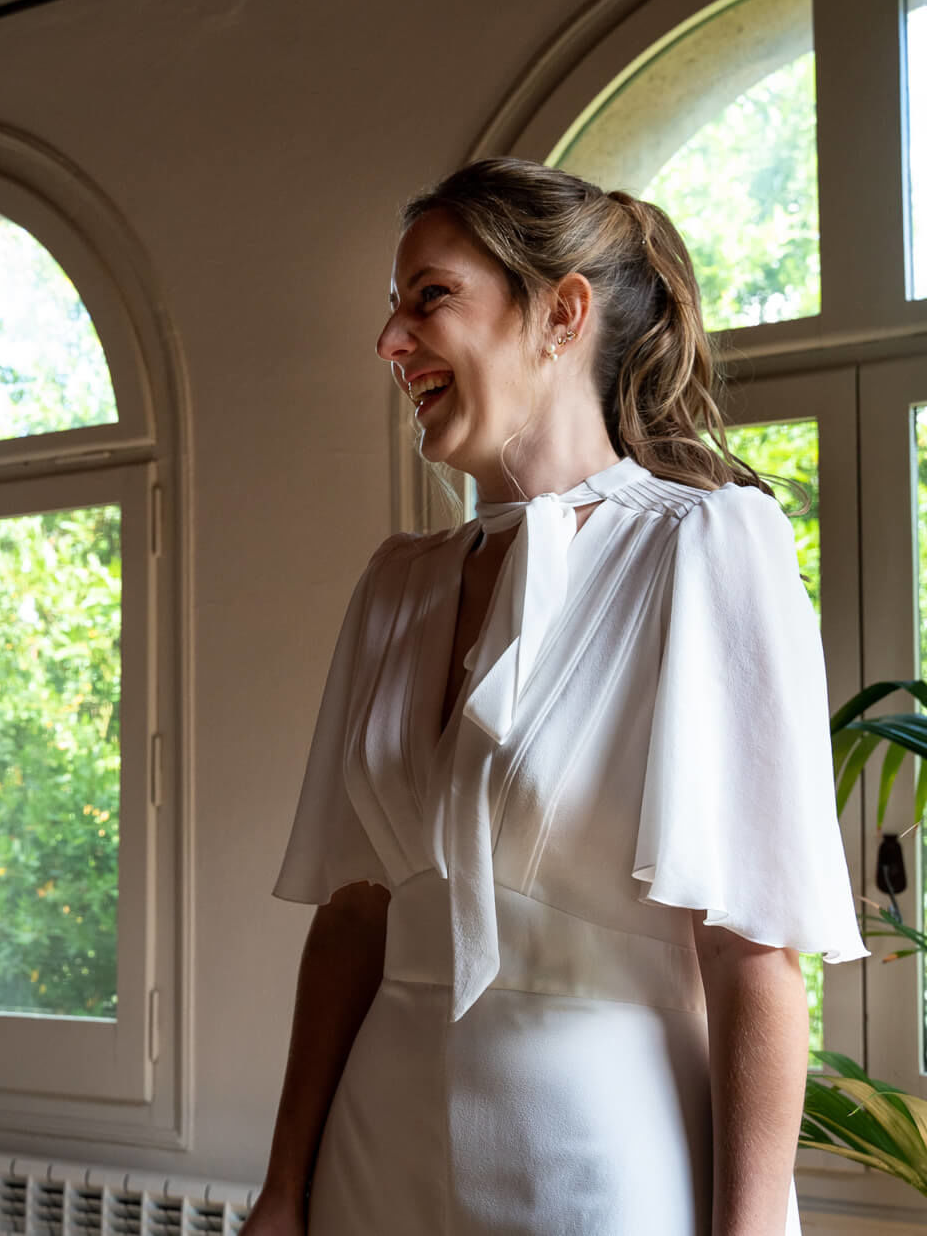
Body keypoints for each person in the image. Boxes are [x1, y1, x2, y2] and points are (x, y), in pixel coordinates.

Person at [243, 157, 866, 1236]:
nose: (389, 340)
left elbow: (750, 947)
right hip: (368, 1156)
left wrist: (749, 1227)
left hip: (597, 1162)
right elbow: (352, 915)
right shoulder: (394, 584)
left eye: (427, 296)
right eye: (391, 307)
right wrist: (283, 1191)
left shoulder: (704, 546)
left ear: (558, 313)